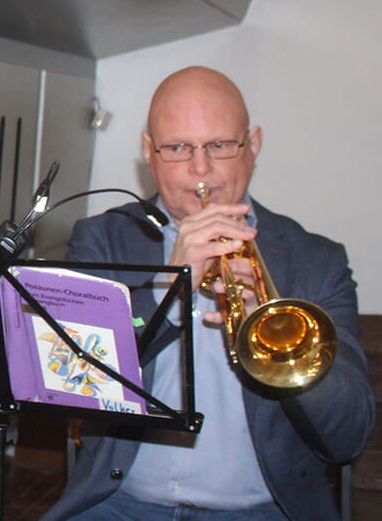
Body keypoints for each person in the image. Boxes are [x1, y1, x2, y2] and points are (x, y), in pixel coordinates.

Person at [43, 66, 374, 521]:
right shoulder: (102, 240)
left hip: (262, 510)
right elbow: (66, 380)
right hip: (120, 504)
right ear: (149, 153)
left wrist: (279, 345)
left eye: (219, 145)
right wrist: (168, 288)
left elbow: (346, 437)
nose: (201, 168)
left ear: (253, 145)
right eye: (178, 148)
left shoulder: (317, 261)